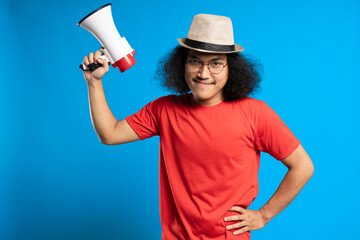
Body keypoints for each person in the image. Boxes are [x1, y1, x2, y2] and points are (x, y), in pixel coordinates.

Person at [81, 14, 314, 240]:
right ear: (182, 64)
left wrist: (264, 215)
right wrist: (94, 82)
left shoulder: (255, 113)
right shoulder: (164, 109)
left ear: (230, 68)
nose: (203, 73)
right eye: (195, 61)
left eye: (215, 64)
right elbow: (109, 134)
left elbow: (303, 166)